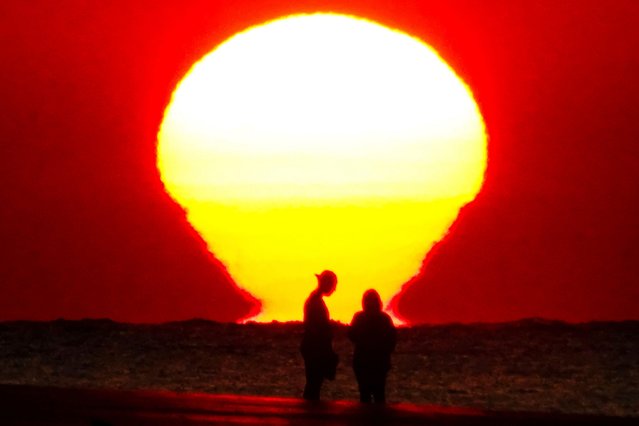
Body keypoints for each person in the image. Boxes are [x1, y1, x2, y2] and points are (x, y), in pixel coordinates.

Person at [348, 289, 397, 404]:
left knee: (365, 395)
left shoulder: (359, 317)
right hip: (378, 362)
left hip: (363, 362)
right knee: (379, 394)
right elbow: (392, 340)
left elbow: (351, 334)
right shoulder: (384, 319)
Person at [300, 270, 338, 401]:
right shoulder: (315, 302)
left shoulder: (314, 300)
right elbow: (314, 328)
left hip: (312, 346)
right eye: (333, 286)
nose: (334, 289)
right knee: (314, 383)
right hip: (315, 348)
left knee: (313, 383)